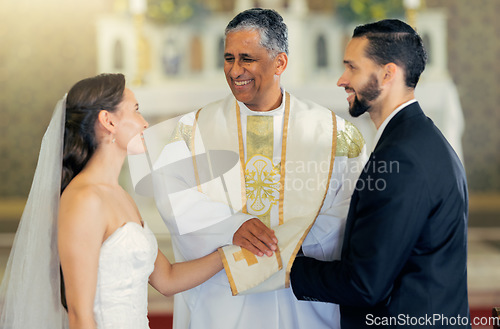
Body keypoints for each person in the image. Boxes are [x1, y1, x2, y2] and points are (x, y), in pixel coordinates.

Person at [134, 8, 367, 329]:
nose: (235, 70)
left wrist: (288, 240)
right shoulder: (195, 128)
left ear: (280, 63)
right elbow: (170, 192)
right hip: (225, 296)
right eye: (228, 58)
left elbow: (354, 206)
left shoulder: (332, 131)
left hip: (299, 290)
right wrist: (231, 226)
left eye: (247, 58)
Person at [0, 73, 223, 329]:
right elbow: (80, 316)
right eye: (136, 111)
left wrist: (232, 252)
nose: (145, 123)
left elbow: (167, 280)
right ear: (108, 120)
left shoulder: (121, 196)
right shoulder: (84, 199)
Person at [290, 19, 470, 329]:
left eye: (352, 68)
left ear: (388, 74)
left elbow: (364, 285)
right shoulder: (420, 138)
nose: (341, 80)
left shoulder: (402, 157)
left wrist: (284, 266)